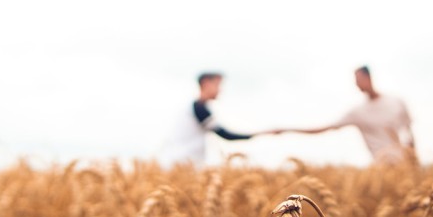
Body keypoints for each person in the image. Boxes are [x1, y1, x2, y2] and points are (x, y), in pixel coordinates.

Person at [282, 66, 416, 164]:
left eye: (358, 79)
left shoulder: (396, 102)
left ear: (368, 77)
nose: (356, 84)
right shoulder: (358, 112)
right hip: (382, 168)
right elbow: (326, 127)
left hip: (404, 165)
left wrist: (414, 158)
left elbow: (409, 132)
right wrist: (288, 129)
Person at [160, 72, 275, 166]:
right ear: (205, 83)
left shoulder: (197, 108)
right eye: (217, 85)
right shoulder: (199, 109)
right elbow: (226, 135)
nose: (220, 90)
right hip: (184, 164)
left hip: (184, 164)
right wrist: (262, 133)